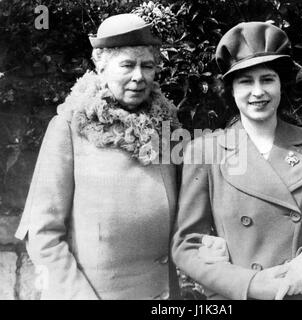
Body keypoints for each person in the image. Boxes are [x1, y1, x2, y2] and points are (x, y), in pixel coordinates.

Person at [171, 22, 302, 300]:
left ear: (281, 85)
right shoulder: (205, 151)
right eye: (246, 82)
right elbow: (187, 245)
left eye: (267, 79)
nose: (258, 92)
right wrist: (251, 283)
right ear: (231, 91)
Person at [15, 13, 183, 300]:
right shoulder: (69, 126)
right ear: (101, 66)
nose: (139, 77)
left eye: (148, 66)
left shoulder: (167, 126)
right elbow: (43, 233)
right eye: (127, 65)